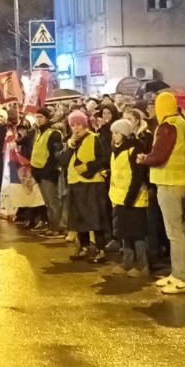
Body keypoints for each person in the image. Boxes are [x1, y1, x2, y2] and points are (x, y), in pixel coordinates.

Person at [142, 91, 185, 293]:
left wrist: (144, 159)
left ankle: (182, 276)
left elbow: (159, 156)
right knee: (176, 231)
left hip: (170, 182)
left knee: (175, 232)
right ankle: (177, 273)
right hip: (179, 181)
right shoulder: (182, 124)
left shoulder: (168, 126)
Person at [107, 119, 151, 276]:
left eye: (117, 133)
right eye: (113, 133)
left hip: (134, 199)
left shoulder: (134, 150)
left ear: (125, 134)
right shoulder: (115, 150)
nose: (114, 136)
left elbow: (137, 177)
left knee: (137, 233)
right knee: (124, 232)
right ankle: (127, 262)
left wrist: (129, 198)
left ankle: (142, 265)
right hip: (119, 198)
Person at [65, 110, 108, 262]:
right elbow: (63, 160)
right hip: (75, 182)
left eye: (78, 125)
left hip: (92, 183)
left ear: (84, 125)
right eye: (72, 125)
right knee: (79, 218)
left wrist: (88, 167)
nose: (76, 128)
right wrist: (70, 146)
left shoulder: (94, 138)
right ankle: (83, 247)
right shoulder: (70, 142)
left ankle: (100, 250)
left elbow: (104, 158)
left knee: (95, 219)